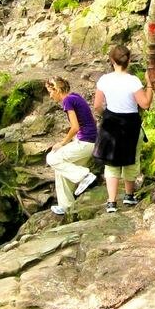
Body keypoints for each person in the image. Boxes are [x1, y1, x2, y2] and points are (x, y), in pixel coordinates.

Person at [93, 45, 154, 213]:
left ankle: (111, 202)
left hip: (111, 124)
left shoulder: (104, 80)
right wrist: (149, 84)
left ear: (111, 60)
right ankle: (129, 195)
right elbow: (145, 104)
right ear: (129, 60)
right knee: (131, 160)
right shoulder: (133, 81)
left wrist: (106, 115)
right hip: (130, 125)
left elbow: (97, 105)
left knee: (111, 164)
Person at [45, 77, 98, 216]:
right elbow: (89, 121)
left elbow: (75, 127)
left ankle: (84, 176)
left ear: (57, 90)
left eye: (50, 92)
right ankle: (66, 206)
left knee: (51, 158)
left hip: (85, 143)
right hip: (90, 142)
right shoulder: (75, 97)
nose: (50, 96)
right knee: (60, 169)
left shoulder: (67, 100)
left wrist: (63, 143)